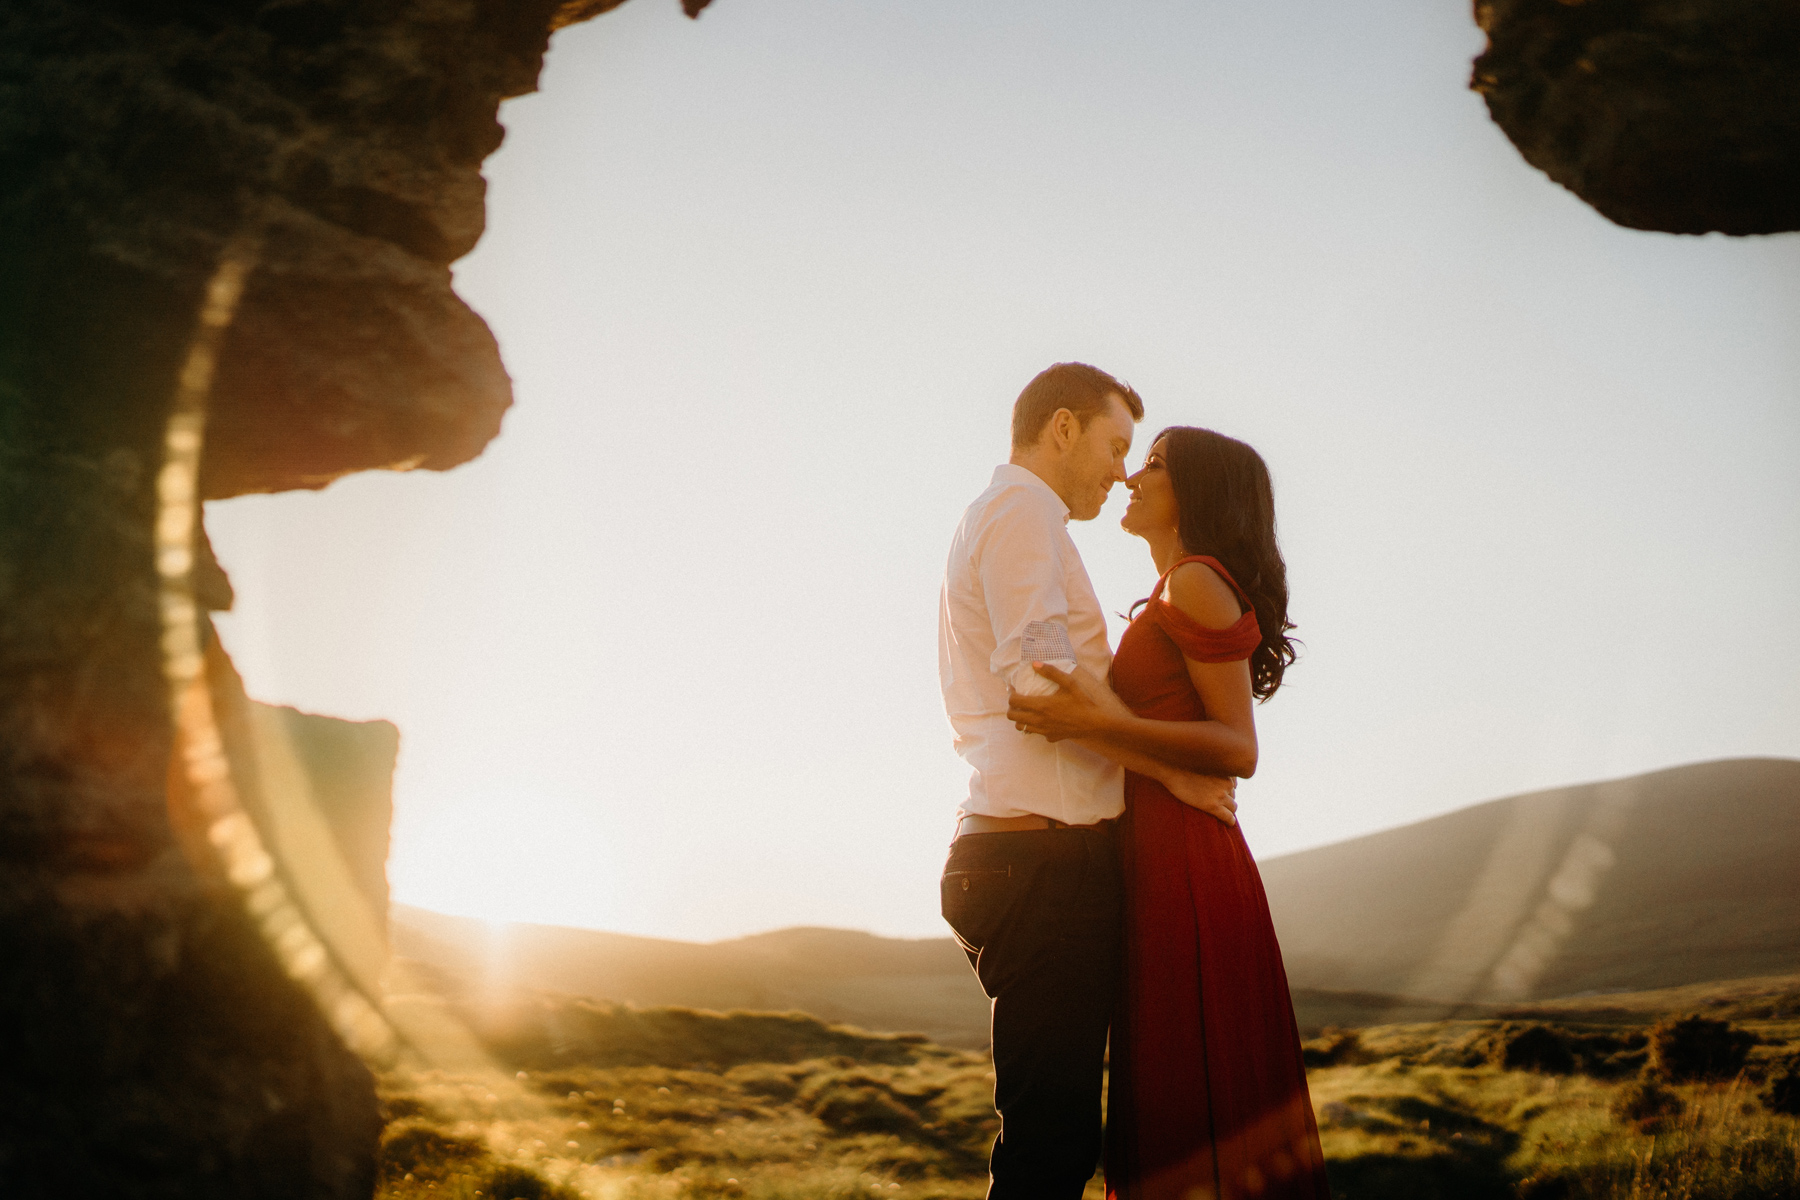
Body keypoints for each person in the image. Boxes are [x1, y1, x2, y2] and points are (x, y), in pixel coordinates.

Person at [938, 366, 1240, 1200]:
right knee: (1051, 1147)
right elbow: (1039, 675)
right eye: (1115, 447)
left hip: (1027, 852)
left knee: (1057, 1138)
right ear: (1062, 430)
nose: (1120, 470)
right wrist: (1169, 770)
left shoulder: (1013, 519)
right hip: (1042, 860)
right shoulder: (1022, 512)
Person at [1008, 426, 1332, 1200]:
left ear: (1197, 492)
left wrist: (1094, 725)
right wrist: (1122, 740)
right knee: (1170, 1078)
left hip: (1188, 862)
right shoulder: (1162, 590)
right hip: (1156, 846)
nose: (1130, 478)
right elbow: (1076, 687)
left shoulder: (1195, 579)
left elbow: (1236, 746)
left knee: (1192, 1079)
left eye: (1152, 464)